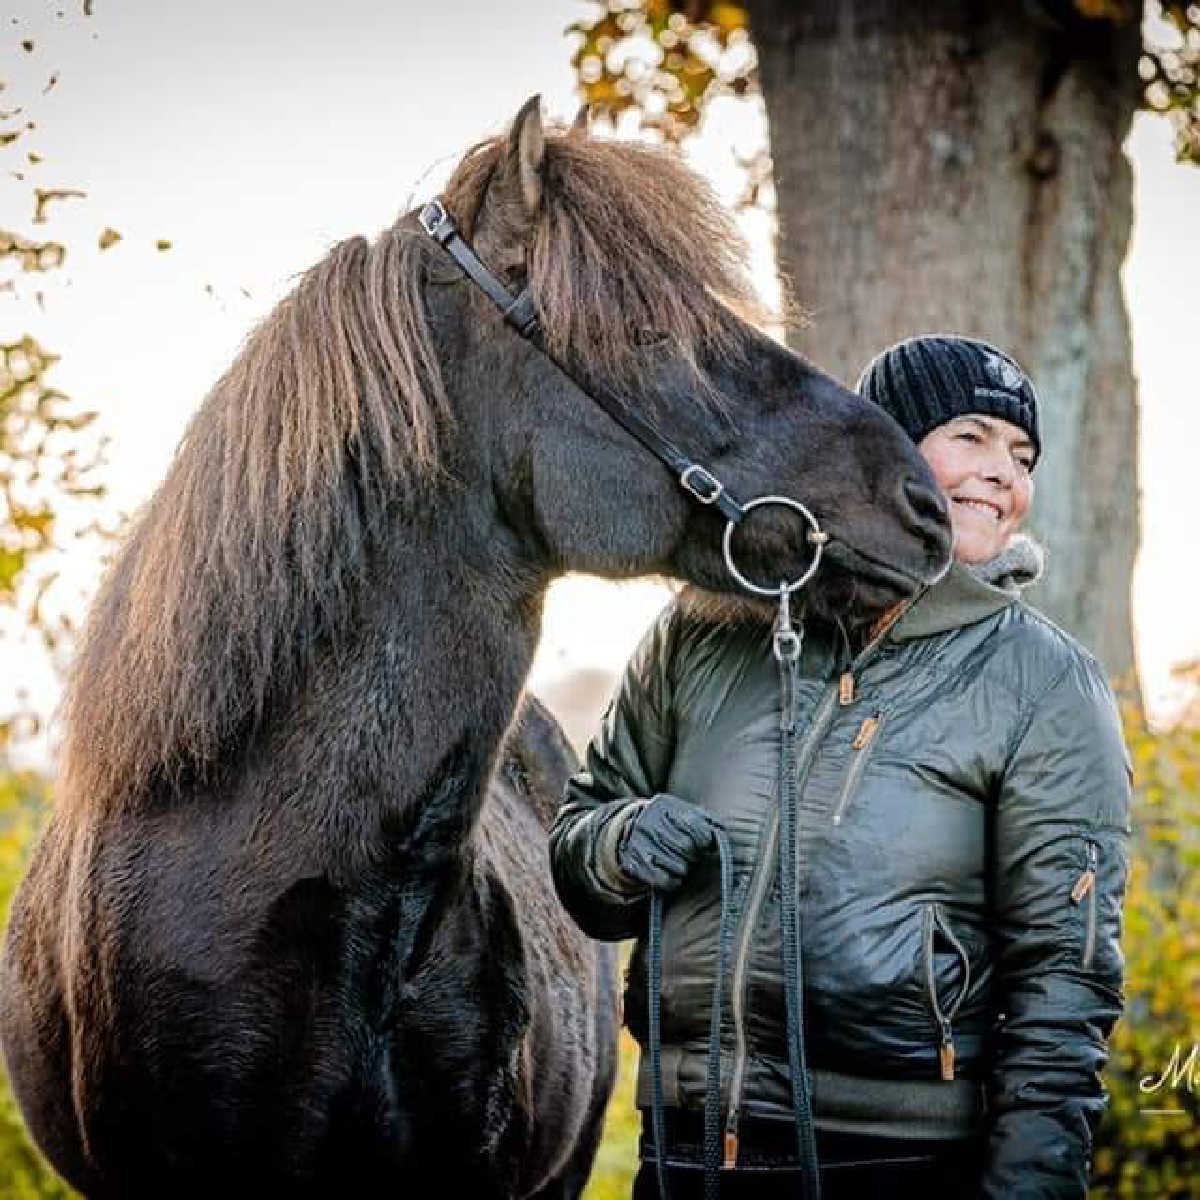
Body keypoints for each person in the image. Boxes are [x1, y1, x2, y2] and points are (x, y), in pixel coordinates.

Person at [549, 334, 1132, 1199]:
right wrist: (619, 841)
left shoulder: (1044, 681)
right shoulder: (705, 627)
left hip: (899, 1160)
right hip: (686, 1151)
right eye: (970, 436)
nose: (1003, 472)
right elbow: (578, 844)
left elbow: (1065, 985)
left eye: (1021, 455)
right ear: (882, 446)